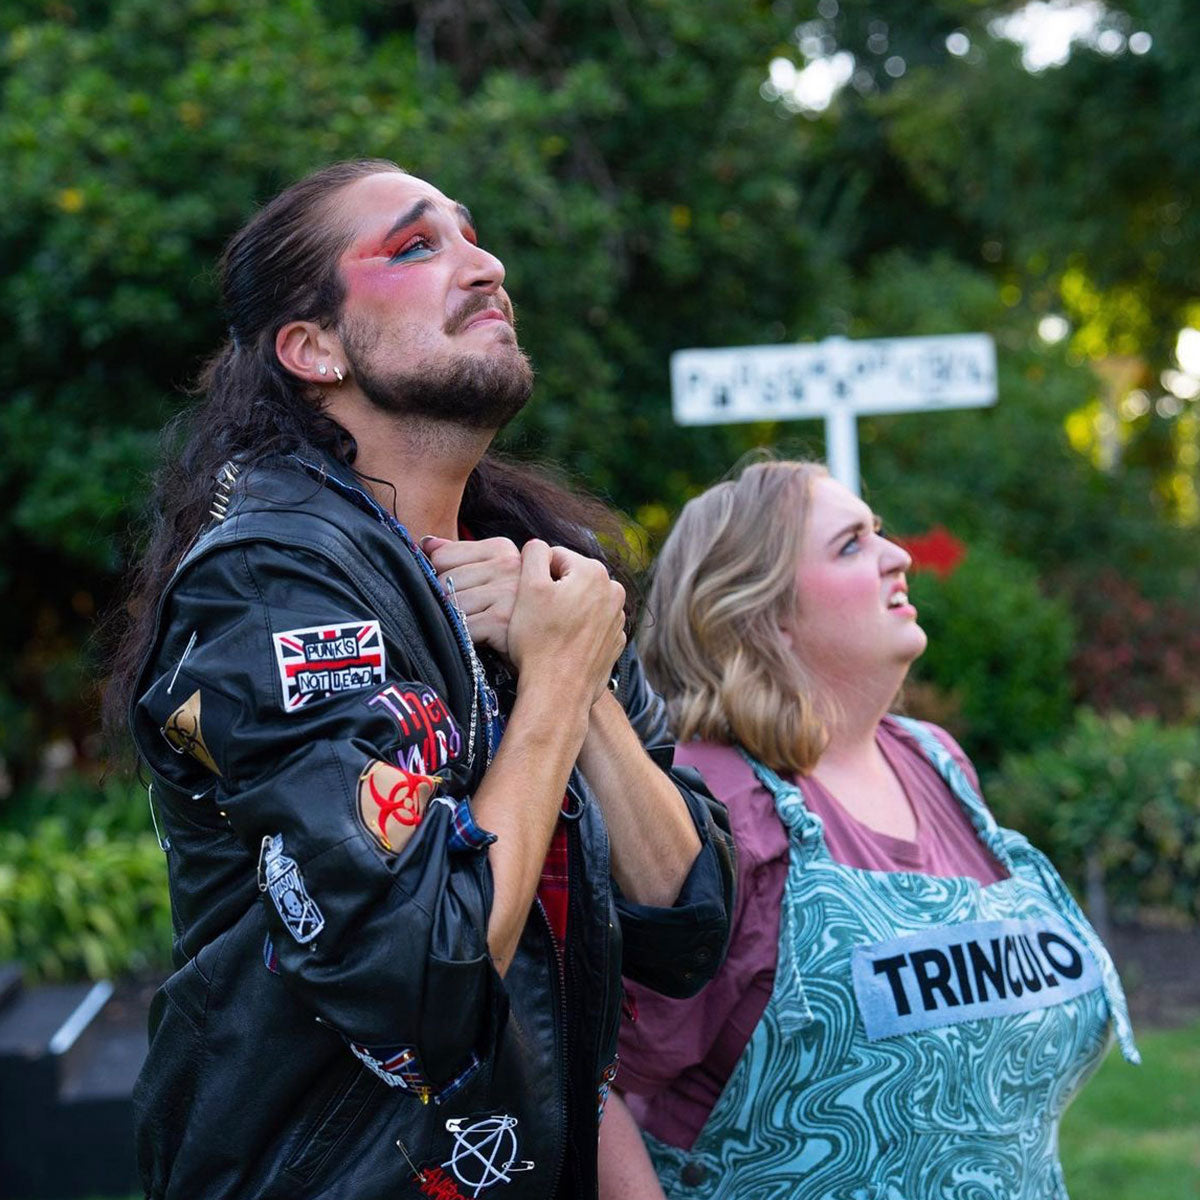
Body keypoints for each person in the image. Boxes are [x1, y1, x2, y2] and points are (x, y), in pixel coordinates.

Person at [104, 159, 734, 1200]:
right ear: (312, 349)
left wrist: (574, 686)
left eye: (474, 237)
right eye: (416, 246)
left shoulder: (536, 569)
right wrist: (561, 680)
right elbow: (419, 971)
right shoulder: (272, 582)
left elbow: (687, 925)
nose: (486, 267)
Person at [598, 459, 1138, 1200]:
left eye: (878, 532)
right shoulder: (709, 801)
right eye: (852, 544)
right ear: (764, 616)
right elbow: (600, 1077)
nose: (899, 555)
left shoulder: (936, 761)